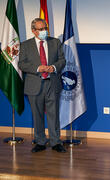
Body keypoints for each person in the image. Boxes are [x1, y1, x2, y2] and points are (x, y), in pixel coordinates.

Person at [18, 18, 66, 153]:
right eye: (41, 29)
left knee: (54, 114)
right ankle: (40, 142)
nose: (44, 31)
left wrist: (54, 67)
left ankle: (56, 142)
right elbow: (21, 64)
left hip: (52, 83)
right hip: (35, 84)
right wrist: (38, 68)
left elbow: (62, 60)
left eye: (45, 28)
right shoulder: (25, 45)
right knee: (37, 115)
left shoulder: (55, 42)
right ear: (33, 31)